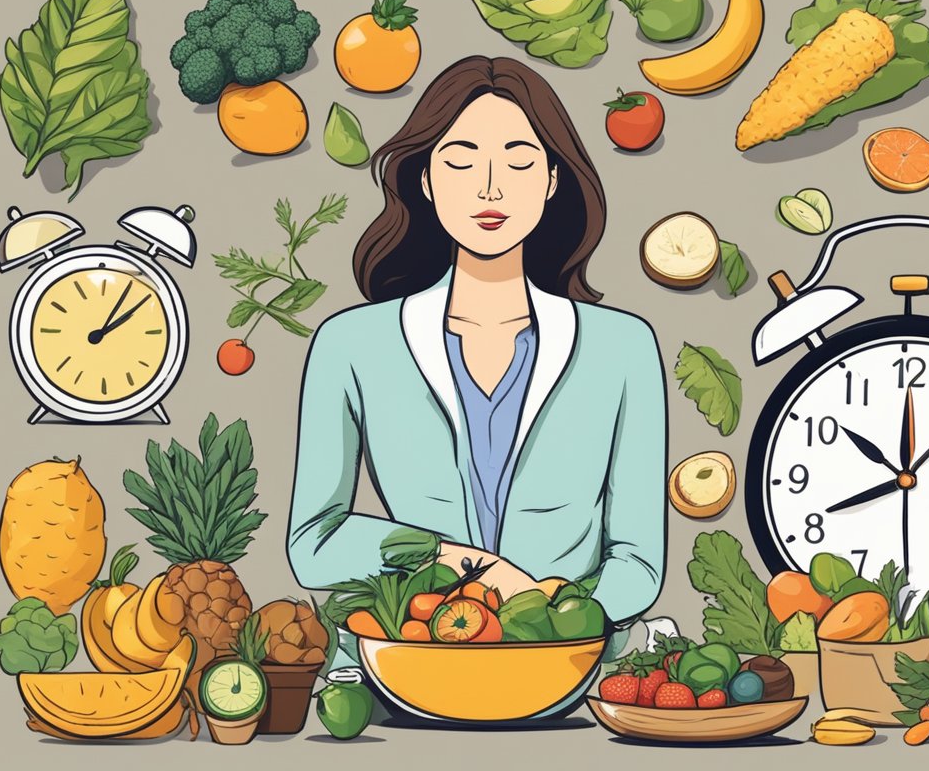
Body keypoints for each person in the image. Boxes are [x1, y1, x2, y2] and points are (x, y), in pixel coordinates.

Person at [286, 55, 668, 675]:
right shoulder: (350, 345)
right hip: (408, 664)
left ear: (551, 179)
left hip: (573, 671)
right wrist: (463, 563)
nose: (490, 188)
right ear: (427, 181)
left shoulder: (623, 348)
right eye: (460, 160)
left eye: (519, 161)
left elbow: (639, 562)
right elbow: (313, 545)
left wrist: (556, 618)